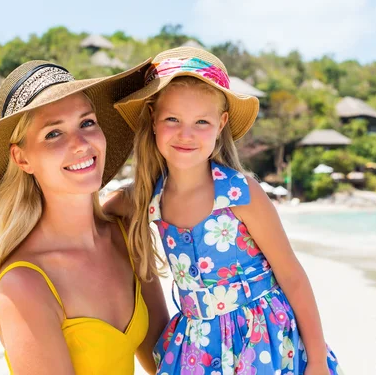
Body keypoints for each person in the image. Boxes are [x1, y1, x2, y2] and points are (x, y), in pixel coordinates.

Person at [110, 47, 342, 374]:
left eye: (201, 122)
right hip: (197, 347)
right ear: (153, 119)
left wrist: (316, 360)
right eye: (172, 119)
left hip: (264, 339)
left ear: (221, 125)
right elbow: (97, 215)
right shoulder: (149, 197)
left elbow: (292, 275)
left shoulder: (240, 193)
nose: (185, 134)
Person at [0, 59, 169, 374]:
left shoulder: (125, 235)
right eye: (53, 134)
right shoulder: (25, 283)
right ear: (22, 157)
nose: (80, 145)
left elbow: (167, 361)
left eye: (87, 122)